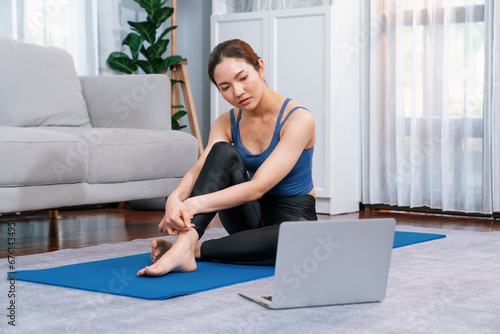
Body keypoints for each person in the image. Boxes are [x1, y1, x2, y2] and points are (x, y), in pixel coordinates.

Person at [137, 39, 317, 277]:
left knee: (299, 236)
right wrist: (174, 199)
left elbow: (257, 187)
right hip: (249, 215)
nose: (238, 92)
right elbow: (202, 168)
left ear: (260, 68)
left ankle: (191, 249)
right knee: (221, 151)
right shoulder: (227, 121)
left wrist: (192, 204)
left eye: (243, 78)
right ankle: (184, 245)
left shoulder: (298, 119)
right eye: (225, 87)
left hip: (293, 217)